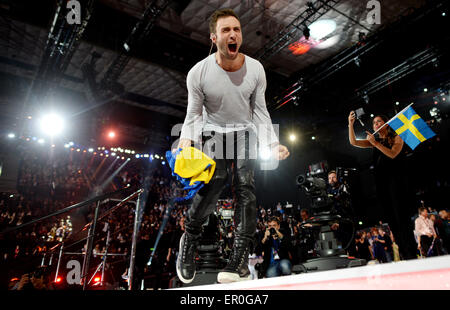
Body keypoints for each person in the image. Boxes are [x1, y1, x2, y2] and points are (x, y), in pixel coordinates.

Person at [175, 8, 290, 284]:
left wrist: (273, 143)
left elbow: (260, 111)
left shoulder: (256, 69)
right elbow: (193, 114)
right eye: (226, 30)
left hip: (244, 133)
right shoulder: (198, 73)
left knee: (245, 188)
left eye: (236, 29)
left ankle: (238, 258)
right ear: (214, 38)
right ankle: (189, 238)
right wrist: (187, 141)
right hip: (213, 131)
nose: (233, 34)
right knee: (216, 180)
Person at [348, 111, 414, 259]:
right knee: (392, 221)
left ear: (386, 124)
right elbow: (353, 142)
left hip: (397, 184)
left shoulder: (397, 137)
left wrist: (375, 143)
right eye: (374, 123)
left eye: (378, 122)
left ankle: (411, 252)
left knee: (402, 218)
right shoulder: (374, 141)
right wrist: (350, 124)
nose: (376, 125)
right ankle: (404, 254)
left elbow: (392, 154)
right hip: (382, 186)